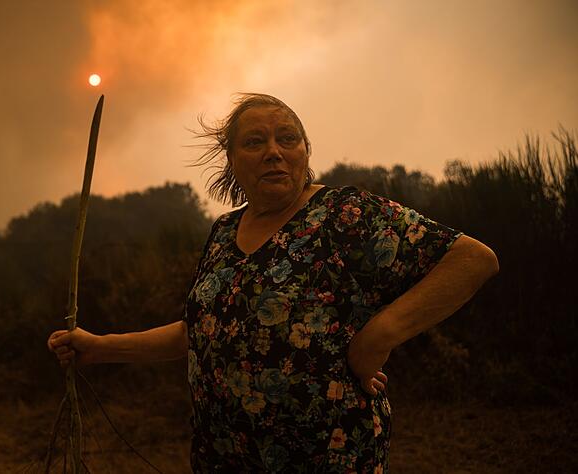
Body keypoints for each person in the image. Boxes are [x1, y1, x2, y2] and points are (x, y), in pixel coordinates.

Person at [47, 93, 499, 472]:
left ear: (306, 151)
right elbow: (198, 332)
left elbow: (473, 260)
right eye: (254, 142)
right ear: (231, 160)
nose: (273, 151)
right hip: (223, 457)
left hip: (324, 458)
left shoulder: (345, 215)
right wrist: (99, 347)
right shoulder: (223, 233)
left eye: (287, 138)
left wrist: (380, 335)